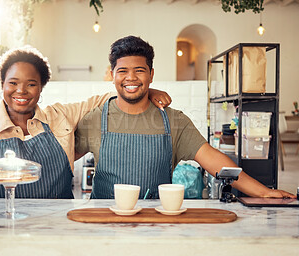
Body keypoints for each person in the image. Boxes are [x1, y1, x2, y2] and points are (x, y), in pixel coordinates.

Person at [75, 35, 295, 199]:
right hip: (103, 220)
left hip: (157, 223)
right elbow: (64, 157)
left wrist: (263, 191)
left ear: (151, 75)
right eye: (122, 71)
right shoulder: (95, 118)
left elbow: (214, 160)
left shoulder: (174, 121)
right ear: (112, 75)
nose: (130, 77)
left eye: (139, 70)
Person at [0, 45, 171, 199]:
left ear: (41, 88)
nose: (21, 91)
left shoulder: (60, 116)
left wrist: (145, 90)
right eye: (13, 83)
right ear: (2, 84)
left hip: (58, 229)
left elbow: (105, 99)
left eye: (31, 84)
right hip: (0, 230)